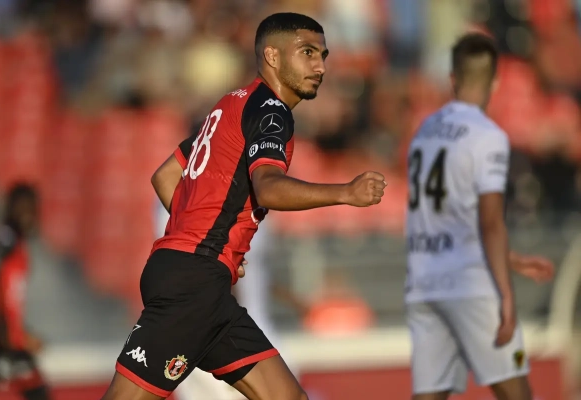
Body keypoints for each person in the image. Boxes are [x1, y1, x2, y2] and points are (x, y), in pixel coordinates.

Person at [102, 12, 387, 400]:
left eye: (322, 55)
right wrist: (345, 192)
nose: (320, 66)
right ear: (272, 55)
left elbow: (165, 176)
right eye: (307, 52)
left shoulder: (231, 104)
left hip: (202, 281)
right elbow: (268, 189)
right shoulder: (271, 111)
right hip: (194, 283)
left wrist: (203, 240)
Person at [405, 33, 555, 400]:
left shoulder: (425, 130)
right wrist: (506, 294)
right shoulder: (488, 136)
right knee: (516, 393)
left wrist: (511, 259)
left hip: (424, 282)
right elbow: (490, 221)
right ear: (495, 82)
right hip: (469, 284)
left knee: (430, 395)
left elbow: (447, 218)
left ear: (452, 78)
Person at [0, 183, 50, 400]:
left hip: (4, 338)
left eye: (31, 208)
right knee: (37, 391)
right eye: (21, 207)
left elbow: (8, 300)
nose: (27, 214)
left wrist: (22, 333)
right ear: (10, 208)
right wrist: (3, 335)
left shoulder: (17, 242)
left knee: (37, 390)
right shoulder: (5, 238)